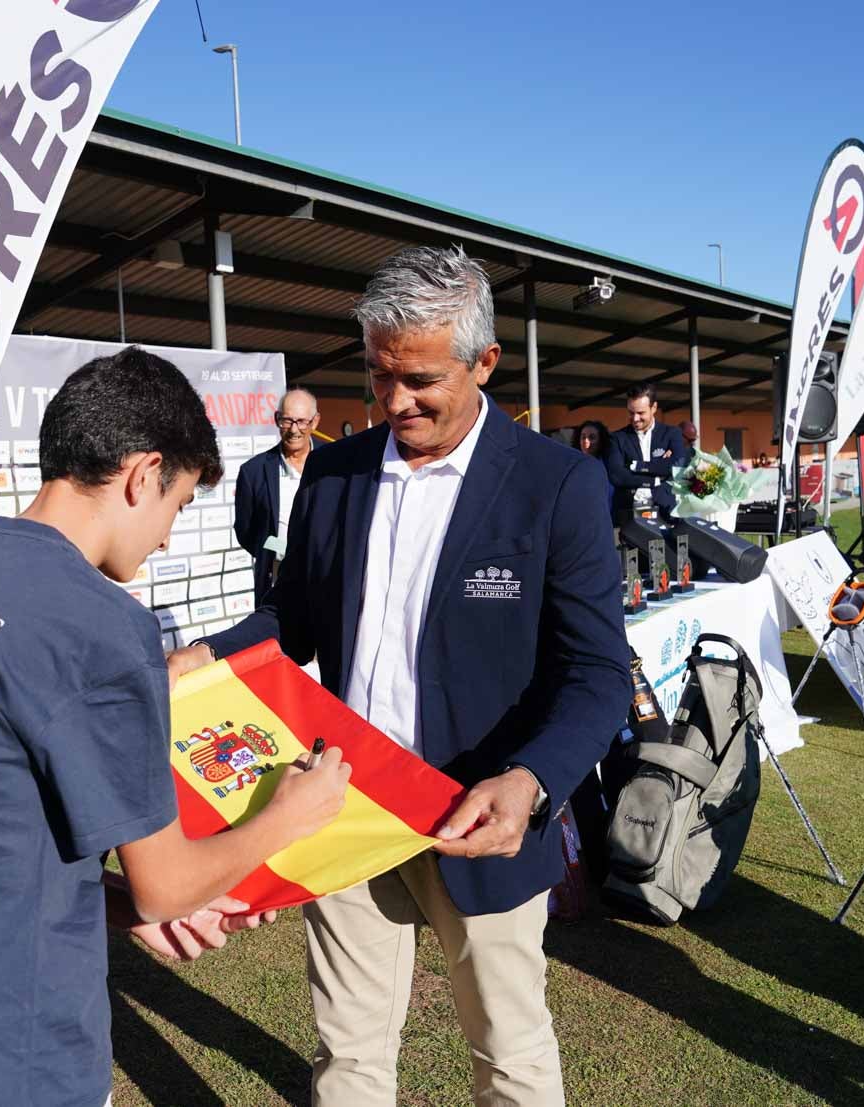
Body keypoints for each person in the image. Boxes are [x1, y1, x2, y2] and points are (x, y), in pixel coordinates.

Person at [170, 246, 631, 1105]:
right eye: (378, 376)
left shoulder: (555, 483)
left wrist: (530, 781)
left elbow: (599, 670)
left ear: (483, 361)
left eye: (419, 379)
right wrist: (211, 653)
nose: (393, 401)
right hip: (342, 801)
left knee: (509, 1051)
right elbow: (295, 620)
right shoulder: (338, 473)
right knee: (347, 1054)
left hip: (477, 815)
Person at [0, 346, 352, 1107]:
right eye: (176, 507)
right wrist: (289, 815)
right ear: (143, 474)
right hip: (11, 1054)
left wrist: (112, 902)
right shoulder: (99, 621)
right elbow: (166, 884)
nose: (169, 538)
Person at [235, 388, 318, 600]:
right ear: (276, 420)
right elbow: (245, 531)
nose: (294, 429)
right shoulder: (253, 471)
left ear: (315, 422)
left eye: (302, 421)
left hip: (324, 580)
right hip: (276, 581)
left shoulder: (334, 464)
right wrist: (275, 549)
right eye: (287, 420)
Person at [605, 382, 690, 517]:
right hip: (628, 512)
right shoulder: (617, 438)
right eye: (631, 413)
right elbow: (617, 476)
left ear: (654, 407)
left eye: (640, 413)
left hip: (665, 510)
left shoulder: (671, 434)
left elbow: (678, 467)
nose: (635, 418)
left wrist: (638, 466)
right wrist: (655, 479)